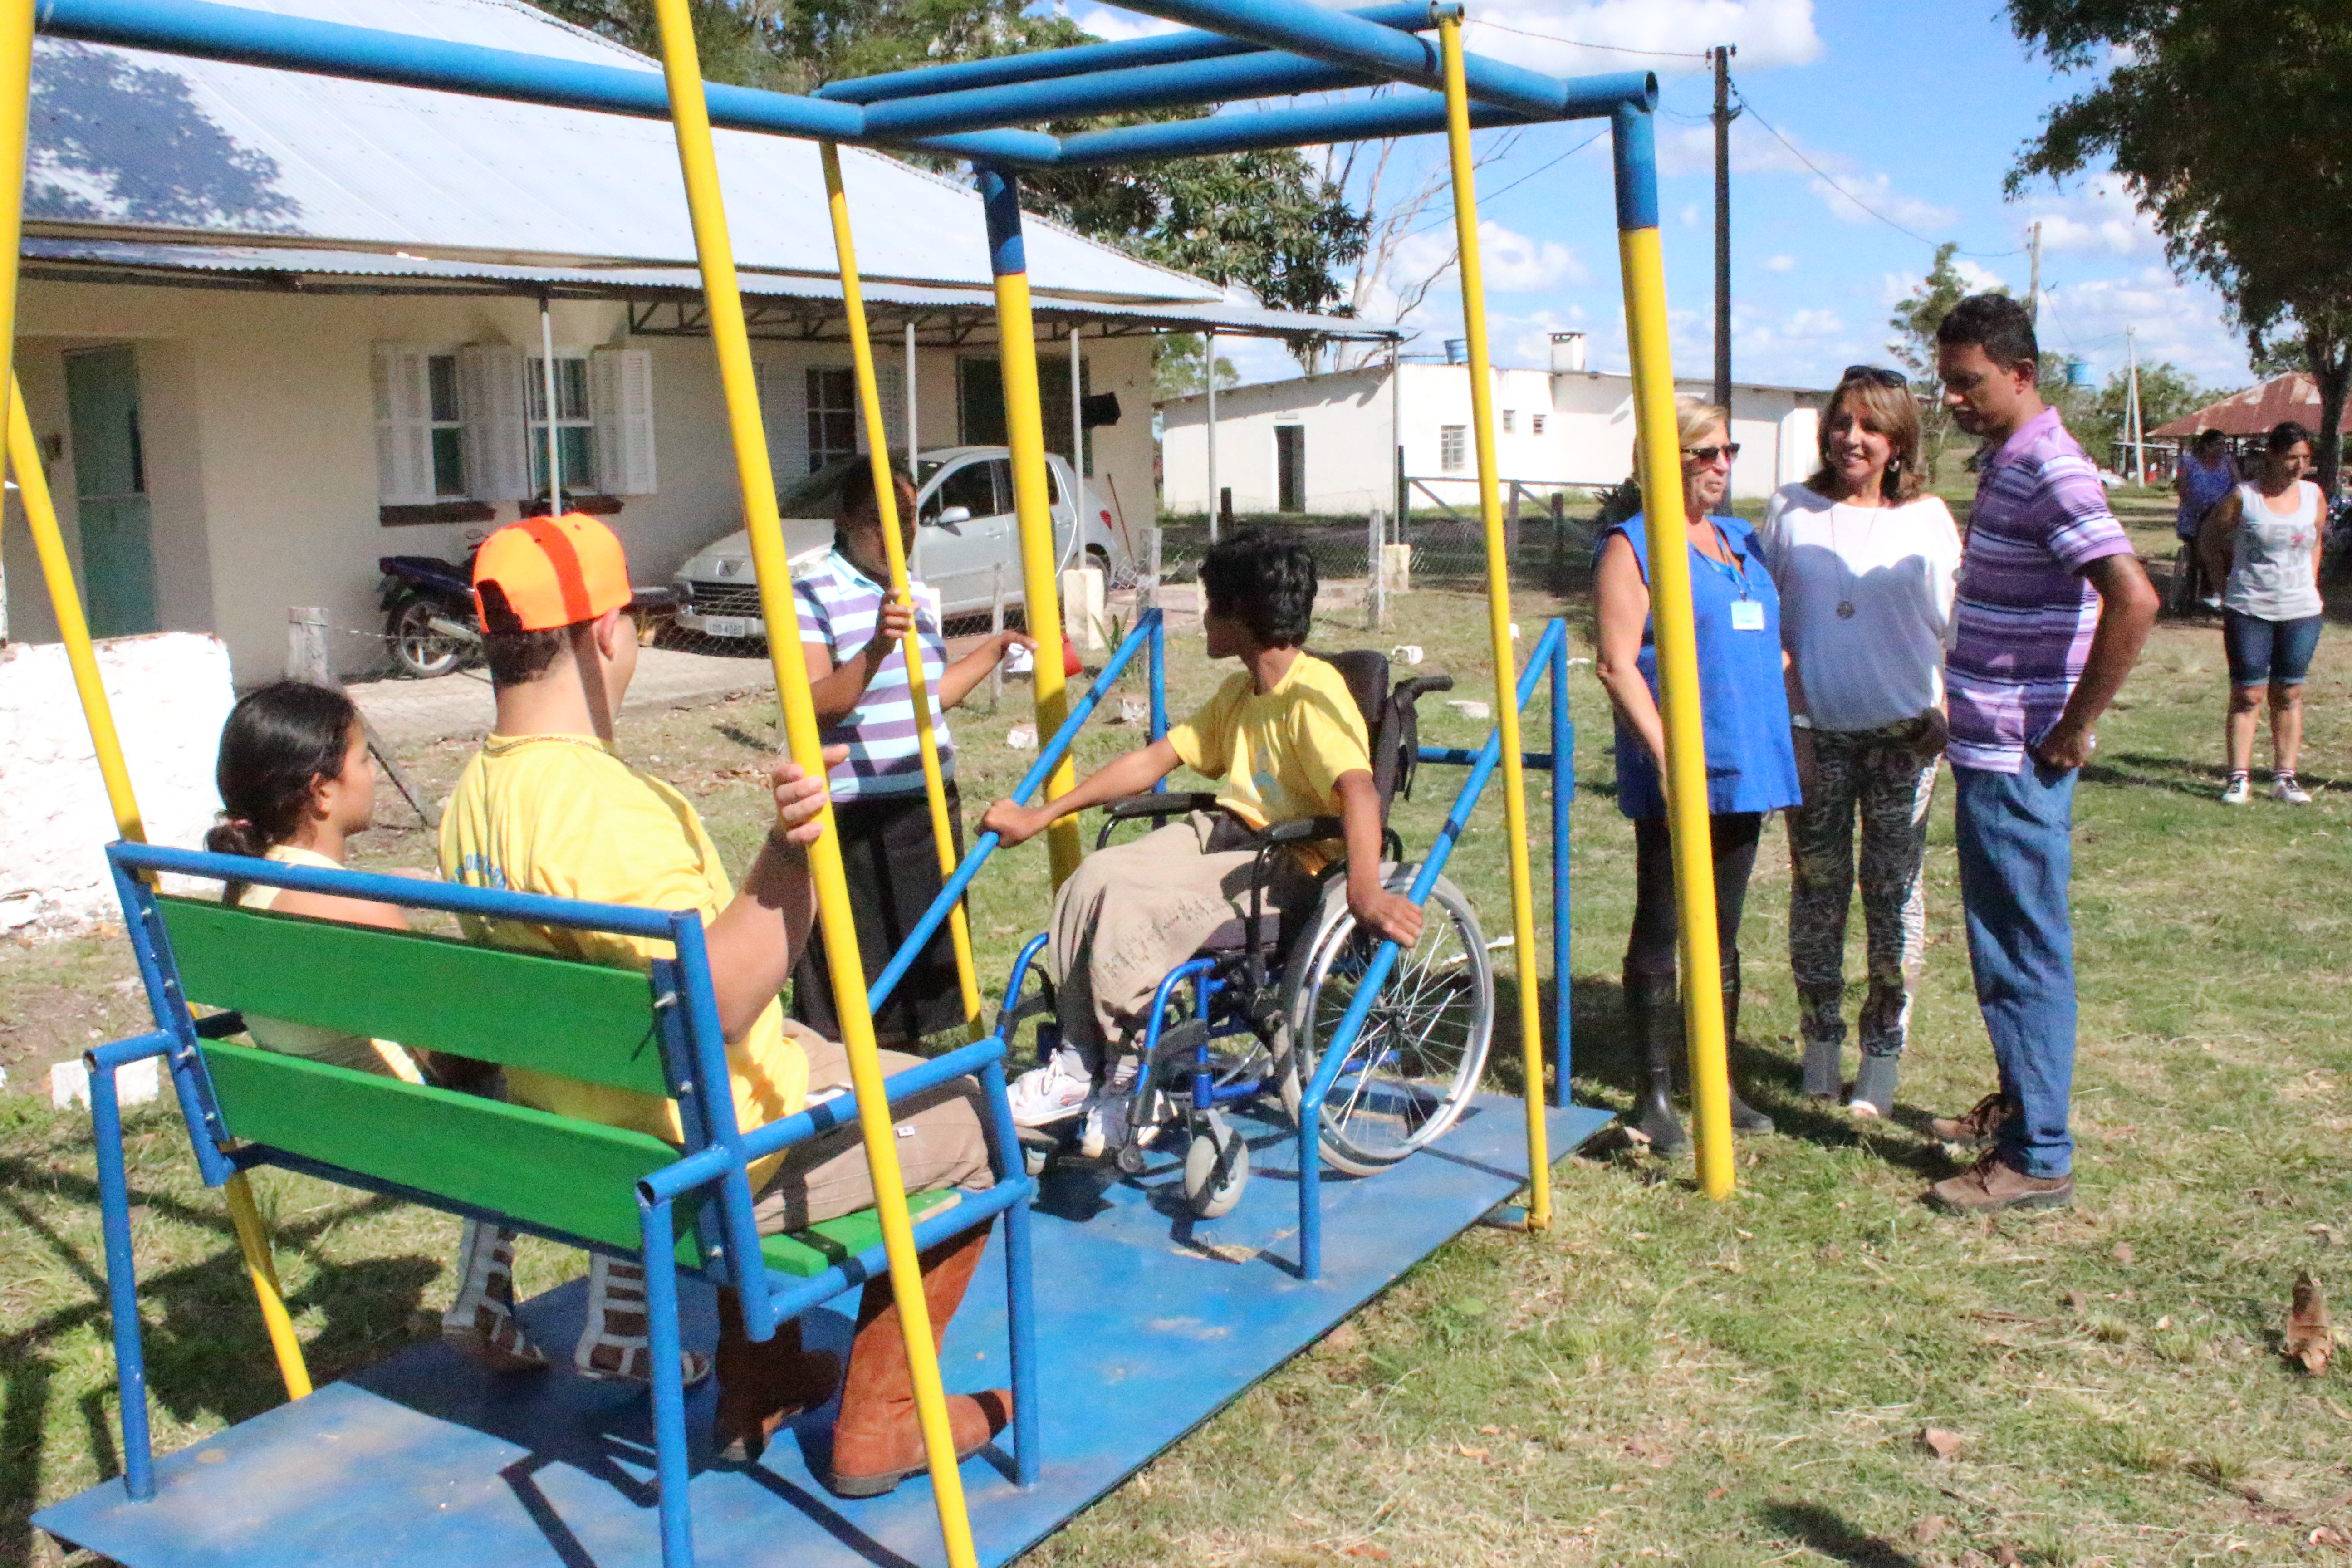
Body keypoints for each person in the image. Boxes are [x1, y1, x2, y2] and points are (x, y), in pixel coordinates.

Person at [441, 511, 1006, 1497]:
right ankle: (881, 1421)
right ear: (606, 632)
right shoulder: (604, 810)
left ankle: (762, 1376)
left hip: (587, 1129)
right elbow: (723, 1003)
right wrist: (791, 858)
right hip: (699, 1158)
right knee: (971, 1116)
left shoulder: (473, 800)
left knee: (810, 1042)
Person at [983, 530, 1425, 1154]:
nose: (1204, 619)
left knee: (1138, 907)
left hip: (1288, 861)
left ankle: (1131, 1070)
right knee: (1095, 875)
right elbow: (1154, 760)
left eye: (1213, 606)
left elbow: (1358, 791)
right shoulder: (1241, 693)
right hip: (1225, 834)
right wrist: (1042, 815)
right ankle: (1082, 1064)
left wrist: (1366, 889)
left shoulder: (1313, 694)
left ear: (1243, 615)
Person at [208, 681, 554, 1373]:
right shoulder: (357, 906)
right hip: (406, 1130)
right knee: (568, 1089)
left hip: (308, 1122)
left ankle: (490, 1301)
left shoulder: (242, 889)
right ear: (322, 792)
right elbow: (460, 1049)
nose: (374, 775)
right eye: (364, 761)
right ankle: (619, 1320)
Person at [1926, 294, 2157, 1214]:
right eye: (1945, 383)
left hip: (2022, 758)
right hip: (1992, 747)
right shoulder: (2010, 462)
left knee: (2021, 949)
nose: (1953, 399)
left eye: (1968, 382)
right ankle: (2024, 1110)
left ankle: (2039, 1157)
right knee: (2005, 944)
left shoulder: (2050, 470)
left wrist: (2072, 725)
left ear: (2022, 373)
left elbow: (2132, 600)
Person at [1593, 398, 1800, 1152]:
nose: (1717, 466)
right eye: (1700, 453)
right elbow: (1617, 664)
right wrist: (1666, 755)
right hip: (1678, 767)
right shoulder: (1633, 546)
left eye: (1725, 451)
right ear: (1661, 460)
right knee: (1663, 919)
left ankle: (1716, 1078)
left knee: (1723, 928)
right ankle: (1652, 1095)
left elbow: (1762, 630)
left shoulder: (1738, 541)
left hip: (1746, 758)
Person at [1761, 368, 1962, 1120]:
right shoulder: (1789, 511)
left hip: (1902, 740)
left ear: (1897, 440)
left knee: (1892, 896)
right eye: (1842, 422)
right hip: (1815, 736)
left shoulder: (1929, 519)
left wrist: (1944, 710)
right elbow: (1767, 628)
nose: (1852, 438)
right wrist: (1793, 724)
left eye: (1870, 427)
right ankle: (1818, 1045)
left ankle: (1880, 1056)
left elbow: (1954, 629)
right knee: (1815, 894)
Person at [791, 459, 1033, 1046]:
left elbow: (930, 696)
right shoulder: (811, 590)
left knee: (919, 971)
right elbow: (816, 703)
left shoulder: (914, 591)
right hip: (857, 809)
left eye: (909, 518)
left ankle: (912, 1087)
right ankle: (851, 1095)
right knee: (858, 975)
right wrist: (876, 647)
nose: (899, 534)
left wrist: (995, 650)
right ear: (845, 519)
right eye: (881, 520)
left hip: (925, 801)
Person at [2198, 421, 2325, 806]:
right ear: (2271, 455)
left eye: (2304, 458)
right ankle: (2239, 778)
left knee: (2289, 692)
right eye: (2290, 458)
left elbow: (2317, 540)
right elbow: (2208, 541)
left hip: (2300, 610)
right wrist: (2225, 589)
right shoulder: (2244, 497)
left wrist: (2311, 582)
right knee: (2248, 694)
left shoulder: (2313, 495)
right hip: (2250, 608)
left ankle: (2285, 778)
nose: (2298, 466)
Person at [2172, 428, 2237, 610]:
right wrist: (2201, 507)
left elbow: (2238, 487)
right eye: (2217, 445)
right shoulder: (2189, 463)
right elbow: (2183, 488)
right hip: (2195, 517)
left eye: (2224, 445)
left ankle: (2219, 593)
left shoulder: (2228, 464)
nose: (2222, 449)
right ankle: (2192, 597)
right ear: (2206, 446)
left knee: (2227, 550)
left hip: (2222, 517)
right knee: (2197, 555)